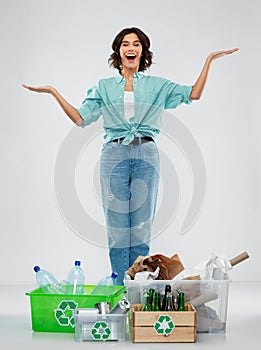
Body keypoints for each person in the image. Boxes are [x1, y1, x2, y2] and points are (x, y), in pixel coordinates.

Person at [22, 27, 239, 285]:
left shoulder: (157, 86)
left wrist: (209, 60)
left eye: (136, 44)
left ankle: (137, 286)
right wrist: (54, 93)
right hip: (113, 156)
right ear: (119, 51)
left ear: (143, 51)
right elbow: (81, 118)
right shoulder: (103, 87)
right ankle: (118, 287)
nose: (131, 48)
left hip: (146, 155)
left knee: (141, 227)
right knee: (117, 228)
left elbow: (193, 93)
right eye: (125, 44)